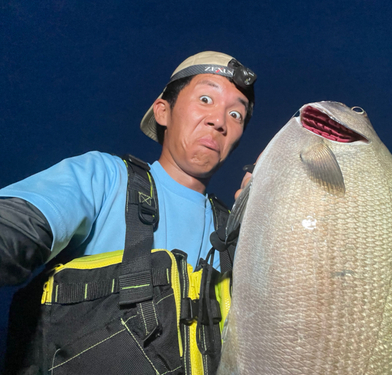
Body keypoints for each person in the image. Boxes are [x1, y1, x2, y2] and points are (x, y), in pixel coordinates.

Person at [0, 51, 256, 374]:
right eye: (206, 98)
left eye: (236, 115)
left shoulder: (236, 233)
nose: (219, 120)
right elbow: (14, 229)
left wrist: (263, 222)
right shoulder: (105, 179)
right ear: (163, 111)